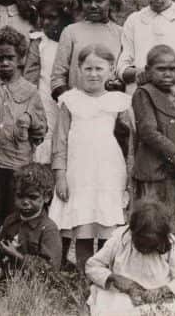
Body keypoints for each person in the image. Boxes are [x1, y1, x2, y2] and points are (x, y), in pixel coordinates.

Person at [48, 44, 133, 276]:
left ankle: (103, 276)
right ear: (78, 69)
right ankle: (84, 277)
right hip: (78, 171)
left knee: (106, 223)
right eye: (88, 68)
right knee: (82, 223)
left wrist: (129, 175)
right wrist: (60, 175)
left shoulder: (120, 101)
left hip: (109, 170)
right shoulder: (70, 100)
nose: (93, 74)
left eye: (99, 68)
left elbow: (130, 143)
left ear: (111, 70)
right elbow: (60, 141)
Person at [0, 26, 47, 276]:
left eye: (9, 58)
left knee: (14, 214)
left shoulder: (30, 91)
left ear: (21, 58)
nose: (4, 63)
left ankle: (11, 262)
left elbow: (41, 130)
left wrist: (29, 120)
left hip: (18, 165)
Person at [85, 200, 175, 316]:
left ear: (161, 239)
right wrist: (114, 278)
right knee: (113, 306)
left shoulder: (170, 244)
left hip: (156, 298)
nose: (145, 249)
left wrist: (162, 290)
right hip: (121, 295)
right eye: (141, 243)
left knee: (158, 311)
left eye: (151, 245)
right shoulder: (120, 238)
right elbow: (92, 266)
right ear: (133, 233)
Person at [132, 45, 175, 237]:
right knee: (154, 219)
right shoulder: (144, 93)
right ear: (148, 70)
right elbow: (148, 131)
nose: (168, 74)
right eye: (161, 69)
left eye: (172, 69)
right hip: (155, 170)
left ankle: (174, 260)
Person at [50, 0, 123, 99]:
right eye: (88, 0)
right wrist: (72, 102)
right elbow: (57, 77)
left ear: (111, 2)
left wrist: (117, 86)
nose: (93, 5)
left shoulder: (120, 33)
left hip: (110, 107)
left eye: (99, 0)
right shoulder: (71, 32)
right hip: (77, 108)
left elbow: (122, 73)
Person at [23, 0, 75, 164]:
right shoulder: (39, 43)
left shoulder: (74, 40)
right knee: (46, 145)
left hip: (70, 99)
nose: (45, 22)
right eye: (42, 17)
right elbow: (29, 77)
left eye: (52, 18)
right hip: (44, 102)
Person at [0, 163, 63, 276]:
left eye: (32, 197)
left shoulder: (49, 229)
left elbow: (51, 269)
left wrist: (17, 256)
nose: (25, 202)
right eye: (20, 196)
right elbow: (0, 250)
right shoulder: (10, 221)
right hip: (8, 279)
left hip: (35, 286)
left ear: (46, 197)